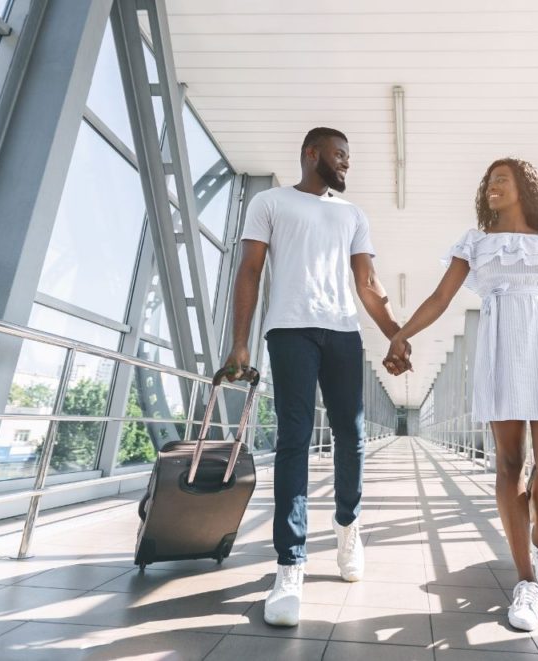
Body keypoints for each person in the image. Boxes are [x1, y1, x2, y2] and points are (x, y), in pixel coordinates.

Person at [383, 158, 538, 632]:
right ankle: (526, 581)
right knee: (510, 465)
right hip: (498, 354)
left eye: (502, 180)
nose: (492, 187)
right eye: (489, 181)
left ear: (524, 189)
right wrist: (400, 335)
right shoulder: (475, 244)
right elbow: (439, 299)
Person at [222, 127, 410, 627]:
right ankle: (290, 563)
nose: (346, 164)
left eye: (348, 157)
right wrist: (240, 342)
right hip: (290, 331)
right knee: (295, 439)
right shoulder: (270, 202)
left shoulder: (351, 214)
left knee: (350, 437)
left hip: (343, 333)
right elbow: (249, 271)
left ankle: (347, 526)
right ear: (312, 154)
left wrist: (395, 332)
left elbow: (367, 283)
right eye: (339, 155)